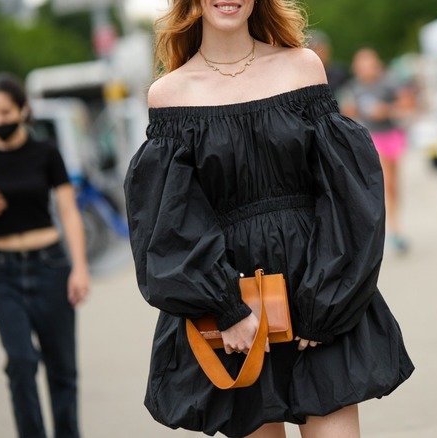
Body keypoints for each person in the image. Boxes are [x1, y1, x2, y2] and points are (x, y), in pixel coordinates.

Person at [124, 1, 414, 437]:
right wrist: (225, 307)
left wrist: (327, 301)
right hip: (234, 311)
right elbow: (167, 223)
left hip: (317, 285)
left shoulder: (301, 67)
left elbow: (346, 194)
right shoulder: (170, 94)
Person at [0, 72, 90, 438]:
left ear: (23, 109)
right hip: (2, 273)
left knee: (62, 370)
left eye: (4, 112)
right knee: (20, 362)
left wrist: (79, 268)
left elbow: (68, 211)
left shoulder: (46, 152)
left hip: (50, 266)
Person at [339, 47, 410, 253]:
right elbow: (347, 112)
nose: (366, 69)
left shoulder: (388, 81)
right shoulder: (353, 87)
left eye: (369, 64)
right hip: (371, 138)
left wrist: (385, 110)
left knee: (393, 185)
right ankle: (393, 230)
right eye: (362, 65)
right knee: (385, 182)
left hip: (391, 135)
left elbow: (406, 103)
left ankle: (395, 224)